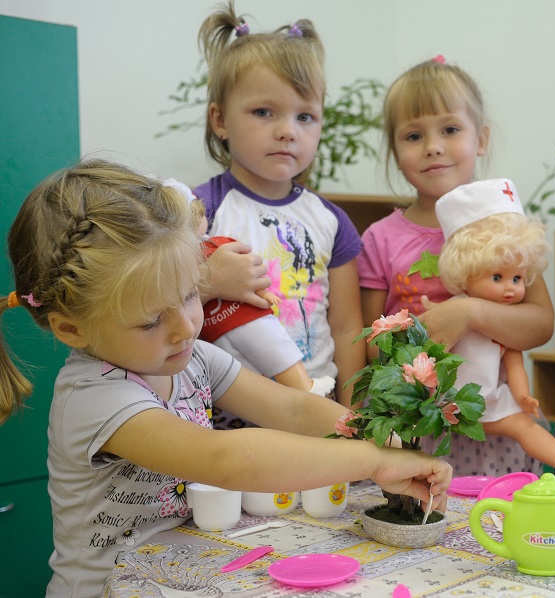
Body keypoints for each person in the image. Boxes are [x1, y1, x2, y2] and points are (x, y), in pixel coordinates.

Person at [0, 160, 452, 597]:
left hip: (178, 577)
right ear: (70, 328)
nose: (186, 327)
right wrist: (371, 464)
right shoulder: (94, 397)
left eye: (189, 295)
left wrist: (379, 440)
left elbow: (292, 407)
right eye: (150, 320)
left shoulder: (190, 357)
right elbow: (227, 459)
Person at [358, 56, 553, 476]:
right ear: (395, 150)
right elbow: (369, 346)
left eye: (450, 129)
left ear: (480, 138)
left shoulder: (507, 227)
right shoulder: (380, 238)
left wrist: (468, 312)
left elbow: (541, 325)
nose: (433, 146)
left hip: (497, 424)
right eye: (413, 135)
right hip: (415, 428)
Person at [193, 1, 364, 409]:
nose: (287, 131)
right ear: (220, 121)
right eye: (264, 112)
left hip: (315, 408)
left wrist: (354, 409)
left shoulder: (331, 221)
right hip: (222, 415)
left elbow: (345, 326)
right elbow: (162, 302)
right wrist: (209, 281)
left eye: (305, 117)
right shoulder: (199, 210)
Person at [436, 178, 555, 477]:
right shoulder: (451, 313)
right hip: (455, 405)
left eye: (518, 278)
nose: (510, 289)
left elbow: (515, 363)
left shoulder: (503, 323)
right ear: (465, 273)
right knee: (520, 425)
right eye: (497, 277)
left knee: (522, 422)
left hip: (483, 403)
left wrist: (523, 396)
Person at [180, 187, 335, 397]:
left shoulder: (217, 243)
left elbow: (249, 269)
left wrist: (263, 292)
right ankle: (298, 390)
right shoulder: (179, 256)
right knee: (250, 363)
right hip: (218, 329)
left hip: (243, 316)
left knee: (275, 348)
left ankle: (305, 388)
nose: (198, 219)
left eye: (198, 213)